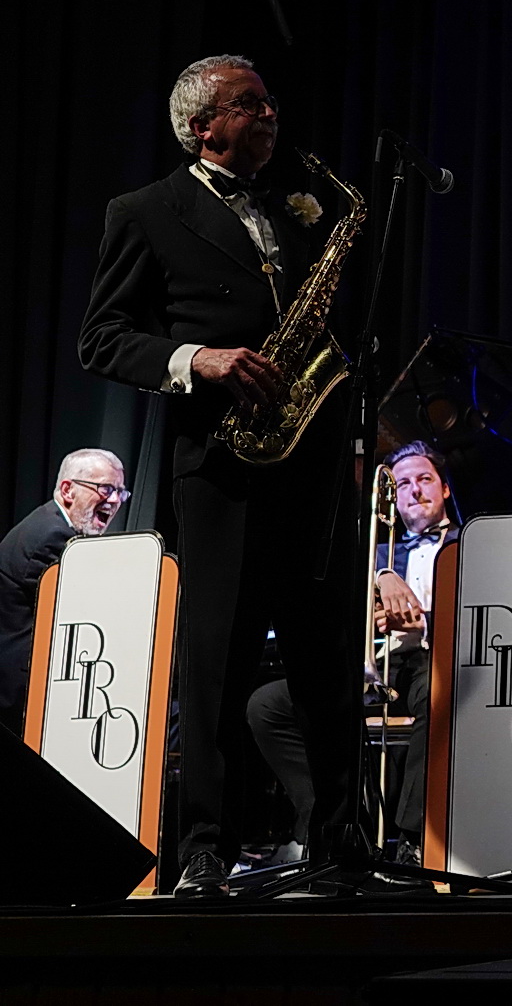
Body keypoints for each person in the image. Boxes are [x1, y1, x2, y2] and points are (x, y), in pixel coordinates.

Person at [79, 55, 357, 898]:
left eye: (271, 100)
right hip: (222, 464)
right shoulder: (145, 212)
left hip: (305, 459)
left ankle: (338, 842)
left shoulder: (300, 207)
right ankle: (206, 844)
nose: (271, 112)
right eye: (251, 104)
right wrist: (196, 358)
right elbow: (102, 338)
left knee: (327, 655)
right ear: (202, 125)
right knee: (217, 663)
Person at [246, 441, 454, 868]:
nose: (414, 490)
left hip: (435, 662)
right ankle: (329, 827)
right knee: (266, 706)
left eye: (425, 479)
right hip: (376, 664)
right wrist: (380, 575)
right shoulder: (375, 549)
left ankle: (414, 839)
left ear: (445, 489)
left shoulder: (470, 543)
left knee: (439, 690)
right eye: (404, 483)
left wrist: (427, 623)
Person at [0, 449, 128, 734]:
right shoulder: (52, 537)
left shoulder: (50, 524)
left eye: (121, 492)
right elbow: (83, 618)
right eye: (106, 488)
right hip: (21, 697)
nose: (115, 500)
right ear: (68, 490)